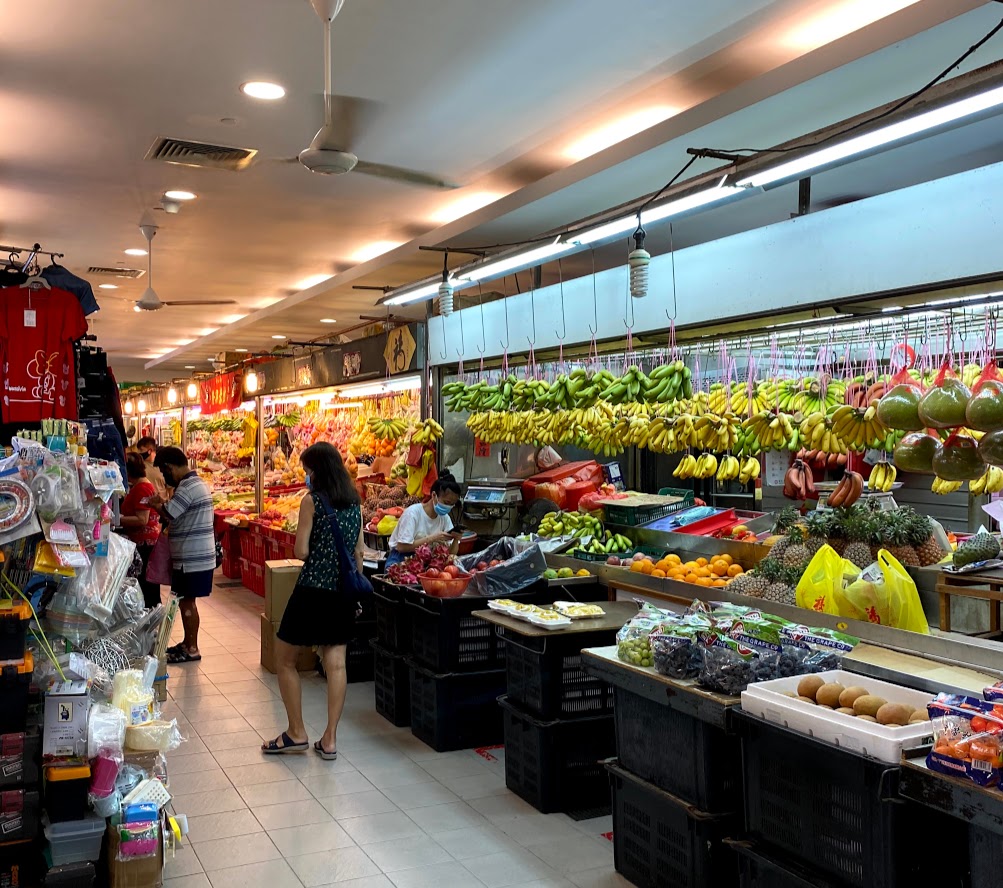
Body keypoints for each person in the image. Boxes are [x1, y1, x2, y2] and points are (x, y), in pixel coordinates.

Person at [262, 442, 363, 760]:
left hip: (312, 592)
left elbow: (301, 552)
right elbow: (359, 551)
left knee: (286, 660)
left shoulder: (312, 502)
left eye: (307, 470)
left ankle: (296, 732)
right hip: (341, 595)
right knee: (336, 664)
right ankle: (330, 739)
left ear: (318, 470)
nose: (306, 476)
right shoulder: (354, 502)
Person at [148, 447, 215, 664]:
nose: (166, 477)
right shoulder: (195, 484)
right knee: (186, 601)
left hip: (192, 558)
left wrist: (156, 505)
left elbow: (170, 514)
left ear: (170, 467)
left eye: (165, 472)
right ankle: (187, 643)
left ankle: (192, 648)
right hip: (193, 555)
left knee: (187, 602)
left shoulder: (188, 487)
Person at [384, 474, 463, 569]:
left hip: (427, 563)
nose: (448, 507)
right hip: (401, 560)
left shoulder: (445, 518)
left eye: (452, 505)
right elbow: (401, 547)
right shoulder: (413, 513)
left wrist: (456, 539)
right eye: (446, 503)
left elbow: (451, 554)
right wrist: (432, 538)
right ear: (434, 495)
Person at [119, 452, 162, 608]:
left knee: (147, 586)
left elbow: (142, 520)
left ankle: (151, 620)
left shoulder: (142, 488)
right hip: (144, 543)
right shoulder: (140, 486)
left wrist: (117, 519)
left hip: (145, 546)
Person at [136, 436, 169, 501]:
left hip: (161, 505)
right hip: (144, 503)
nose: (139, 452)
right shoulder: (139, 465)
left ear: (150, 451)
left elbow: (170, 489)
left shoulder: (163, 466)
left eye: (141, 450)